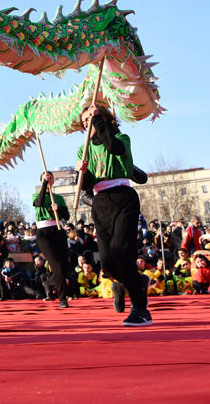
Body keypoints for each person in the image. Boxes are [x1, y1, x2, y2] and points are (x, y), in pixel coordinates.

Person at [77, 104, 151, 327]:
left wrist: (98, 120)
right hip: (100, 202)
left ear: (104, 120)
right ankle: (136, 281)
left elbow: (115, 148)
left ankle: (140, 309)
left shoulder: (121, 138)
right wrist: (82, 173)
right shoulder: (83, 150)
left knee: (122, 254)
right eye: (85, 122)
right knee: (108, 264)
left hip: (123, 197)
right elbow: (85, 185)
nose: (87, 125)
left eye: (91, 119)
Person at [32, 171, 71, 308]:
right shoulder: (36, 195)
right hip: (44, 232)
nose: (48, 180)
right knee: (57, 266)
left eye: (50, 178)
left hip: (58, 229)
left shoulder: (58, 198)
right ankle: (62, 298)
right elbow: (39, 202)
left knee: (64, 266)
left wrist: (58, 209)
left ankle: (49, 283)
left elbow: (66, 216)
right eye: (45, 178)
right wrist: (44, 184)